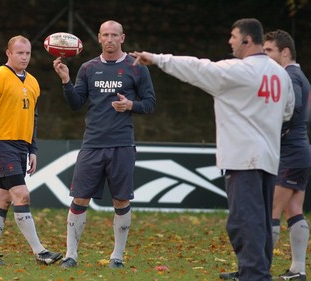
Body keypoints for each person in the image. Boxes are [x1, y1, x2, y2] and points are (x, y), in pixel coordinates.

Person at [131, 18, 295, 281]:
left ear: (247, 40)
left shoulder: (238, 72)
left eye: (233, 36)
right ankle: (257, 271)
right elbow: (287, 111)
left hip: (243, 158)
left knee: (244, 222)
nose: (229, 41)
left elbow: (197, 67)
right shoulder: (279, 75)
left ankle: (254, 275)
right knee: (261, 221)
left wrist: (157, 59)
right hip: (268, 158)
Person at [52, 20, 156, 269]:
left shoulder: (137, 67)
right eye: (105, 35)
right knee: (79, 198)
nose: (110, 39)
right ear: (99, 38)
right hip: (92, 144)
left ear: (123, 38)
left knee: (121, 201)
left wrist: (131, 105)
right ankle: (71, 255)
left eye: (114, 35)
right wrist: (66, 81)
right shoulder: (88, 68)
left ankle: (117, 257)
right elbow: (76, 103)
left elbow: (150, 103)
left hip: (121, 144)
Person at [0, 35, 62, 266]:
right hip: (0, 143)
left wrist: (32, 149)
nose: (24, 57)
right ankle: (40, 251)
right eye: (19, 53)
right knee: (21, 194)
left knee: (2, 200)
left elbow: (33, 118)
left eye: (28, 53)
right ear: (8, 53)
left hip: (21, 146)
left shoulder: (33, 82)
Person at [263, 30, 311, 281]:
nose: (266, 56)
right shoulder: (299, 75)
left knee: (272, 208)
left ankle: (258, 270)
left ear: (285, 52)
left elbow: (292, 109)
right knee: (293, 209)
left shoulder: (289, 76)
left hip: (291, 153)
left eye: (269, 51)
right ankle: (298, 270)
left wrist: (273, 131)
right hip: (300, 151)